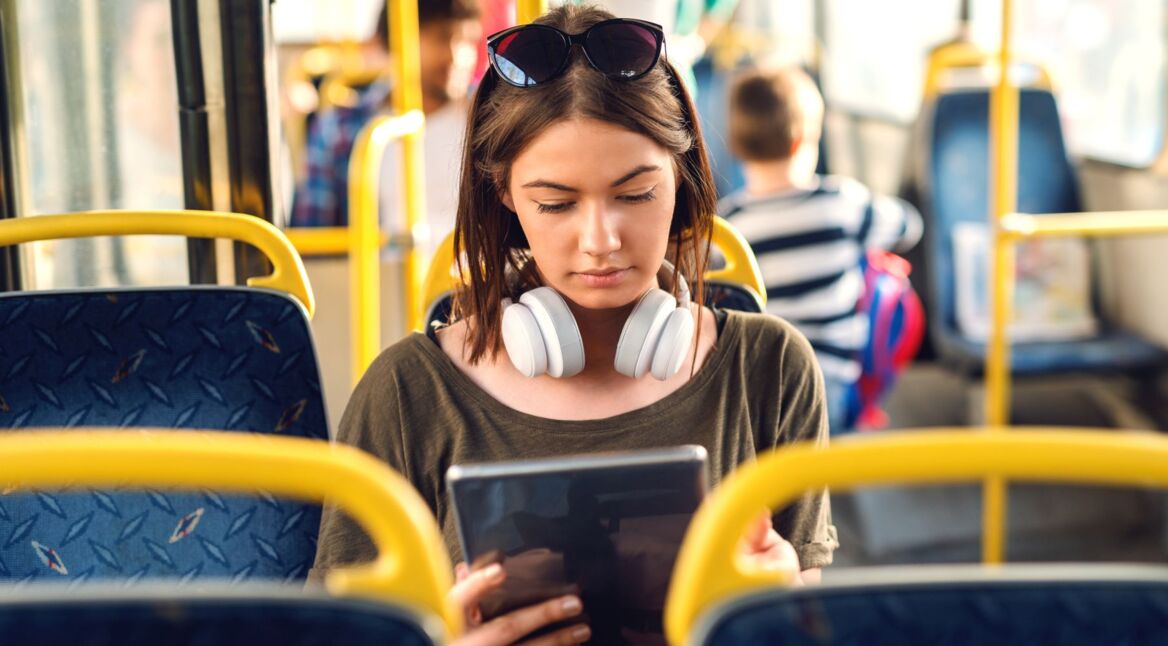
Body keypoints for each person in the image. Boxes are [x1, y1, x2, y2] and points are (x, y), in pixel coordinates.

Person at [313, 6, 837, 644]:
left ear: (681, 181)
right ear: (504, 194)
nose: (600, 241)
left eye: (636, 194)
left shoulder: (772, 369)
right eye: (556, 203)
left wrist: (780, 618)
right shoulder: (405, 394)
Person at [719, 65, 922, 434]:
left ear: (737, 146)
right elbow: (908, 226)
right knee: (883, 280)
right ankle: (863, 411)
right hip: (830, 393)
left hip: (753, 394)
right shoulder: (842, 202)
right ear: (802, 142)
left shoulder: (728, 224)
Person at [290, 0, 482, 249]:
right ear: (397, 43)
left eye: (469, 41)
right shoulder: (342, 129)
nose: (458, 56)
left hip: (480, 281)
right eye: (441, 38)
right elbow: (314, 239)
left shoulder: (487, 119)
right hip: (383, 284)